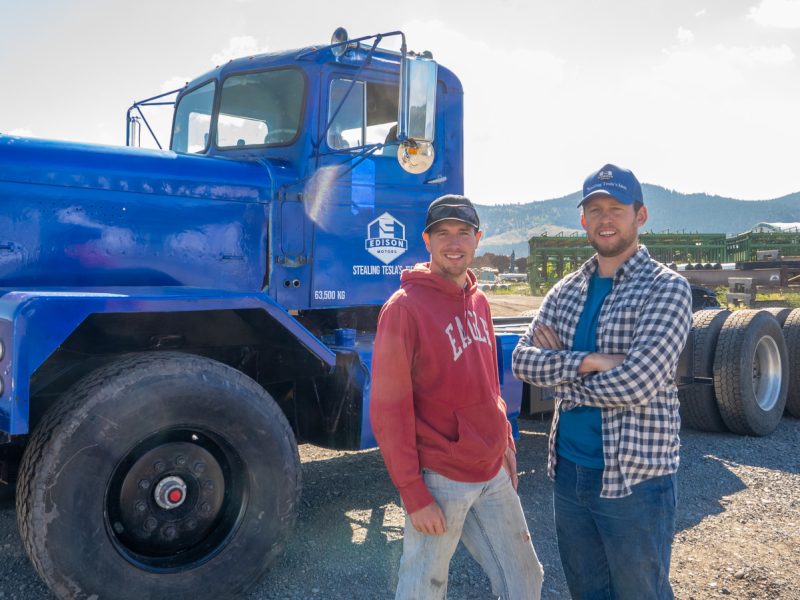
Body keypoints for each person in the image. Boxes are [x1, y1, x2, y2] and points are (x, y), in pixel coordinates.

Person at [512, 164, 693, 599]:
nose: (605, 218)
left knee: (640, 592)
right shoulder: (565, 291)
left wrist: (560, 373)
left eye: (616, 208)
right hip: (570, 472)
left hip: (634, 478)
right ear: (583, 220)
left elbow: (637, 382)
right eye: (595, 209)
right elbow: (522, 361)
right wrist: (592, 360)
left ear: (640, 216)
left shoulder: (666, 289)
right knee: (587, 591)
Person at [371, 194, 544, 600]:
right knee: (424, 588)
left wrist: (505, 441)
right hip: (441, 478)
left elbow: (489, 383)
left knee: (525, 577)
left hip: (492, 471)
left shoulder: (479, 300)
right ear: (426, 241)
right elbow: (388, 411)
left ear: (478, 239)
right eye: (443, 233)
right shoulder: (404, 309)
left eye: (463, 233)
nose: (454, 242)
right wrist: (414, 494)